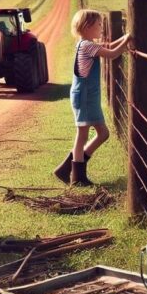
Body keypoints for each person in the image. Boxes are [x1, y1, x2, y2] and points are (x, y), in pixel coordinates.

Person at [53, 10, 133, 186]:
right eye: (98, 25)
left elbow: (108, 44)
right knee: (82, 134)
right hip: (85, 96)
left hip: (88, 96)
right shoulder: (88, 46)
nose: (100, 29)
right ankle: (78, 177)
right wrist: (127, 41)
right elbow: (112, 53)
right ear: (87, 27)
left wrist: (124, 39)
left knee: (103, 133)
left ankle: (67, 168)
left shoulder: (84, 43)